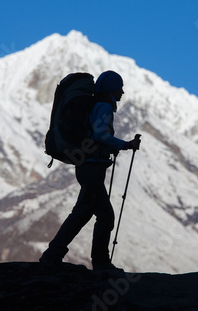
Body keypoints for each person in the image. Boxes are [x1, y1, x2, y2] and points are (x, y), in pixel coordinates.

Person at [39, 70, 141, 270]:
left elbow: (94, 135)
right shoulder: (103, 107)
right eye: (119, 88)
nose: (122, 93)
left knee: (83, 213)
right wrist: (125, 145)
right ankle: (99, 262)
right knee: (105, 216)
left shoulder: (95, 106)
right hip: (92, 168)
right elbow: (100, 135)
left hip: (87, 167)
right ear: (111, 89)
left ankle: (54, 254)